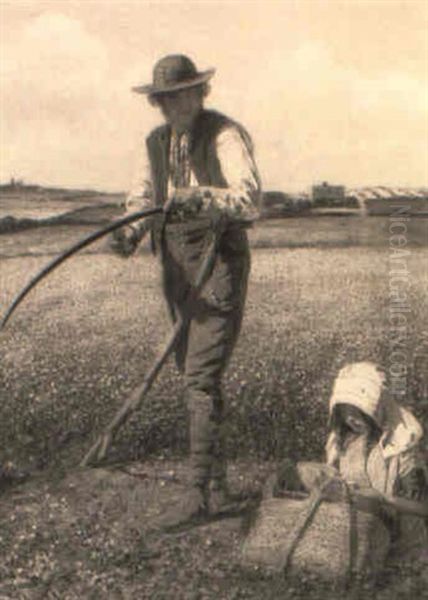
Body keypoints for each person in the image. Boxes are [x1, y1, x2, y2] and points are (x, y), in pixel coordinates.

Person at [110, 54, 262, 527]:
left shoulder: (224, 135)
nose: (172, 105)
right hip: (176, 270)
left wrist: (197, 196)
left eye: (181, 94)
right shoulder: (155, 143)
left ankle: (197, 495)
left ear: (200, 93)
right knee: (197, 377)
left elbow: (249, 198)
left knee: (199, 376)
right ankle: (215, 485)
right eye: (164, 99)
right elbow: (141, 200)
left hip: (218, 267)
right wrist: (128, 232)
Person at [325, 361, 428, 559]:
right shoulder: (342, 443)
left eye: (359, 413)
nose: (352, 420)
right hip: (354, 542)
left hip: (402, 546)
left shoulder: (402, 449)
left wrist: (382, 499)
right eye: (346, 414)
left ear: (376, 409)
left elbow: (423, 508)